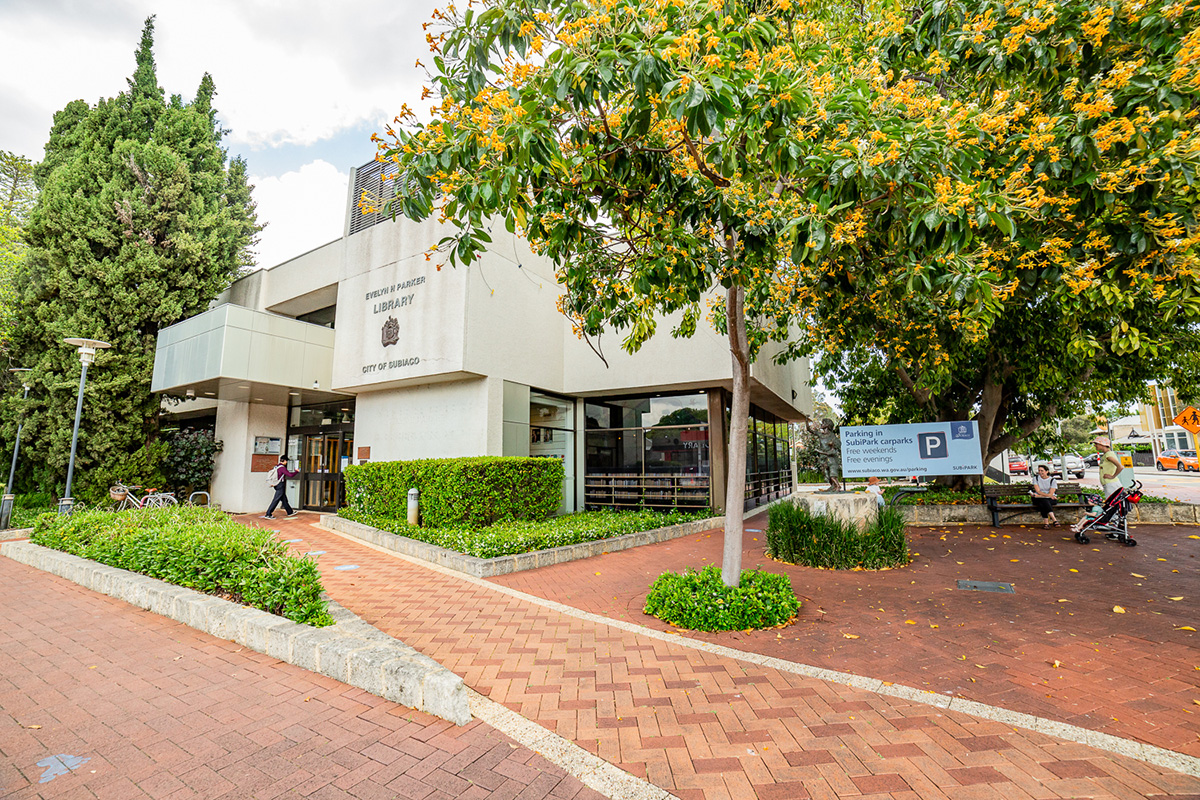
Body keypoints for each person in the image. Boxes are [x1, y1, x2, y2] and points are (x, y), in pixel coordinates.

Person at [263, 455, 298, 519]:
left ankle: (290, 512)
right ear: (284, 461)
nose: (286, 462)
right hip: (280, 485)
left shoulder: (277, 466)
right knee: (276, 500)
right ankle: (268, 514)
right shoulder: (282, 468)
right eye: (286, 461)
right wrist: (296, 471)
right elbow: (290, 475)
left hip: (276, 485)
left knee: (284, 499)